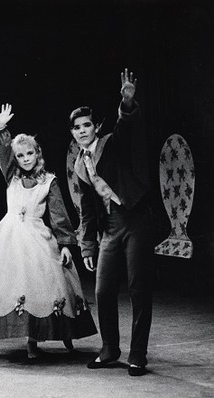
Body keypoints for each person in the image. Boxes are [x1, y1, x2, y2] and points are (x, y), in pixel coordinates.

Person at [0, 104, 97, 359]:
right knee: (17, 286)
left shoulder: (49, 180)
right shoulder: (11, 176)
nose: (26, 159)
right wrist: (2, 129)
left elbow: (59, 216)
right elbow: (3, 152)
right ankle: (31, 340)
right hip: (10, 236)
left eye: (30, 154)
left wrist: (67, 245)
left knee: (49, 287)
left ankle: (66, 334)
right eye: (21, 156)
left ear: (38, 154)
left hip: (38, 236)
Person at [70, 68, 153, 376]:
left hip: (136, 219)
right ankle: (109, 350)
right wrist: (88, 246)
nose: (82, 131)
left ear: (96, 127)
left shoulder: (111, 144)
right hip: (111, 228)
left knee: (138, 288)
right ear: (73, 133)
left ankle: (138, 355)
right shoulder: (80, 165)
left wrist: (127, 103)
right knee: (103, 291)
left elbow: (126, 127)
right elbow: (87, 209)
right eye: (77, 127)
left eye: (87, 125)